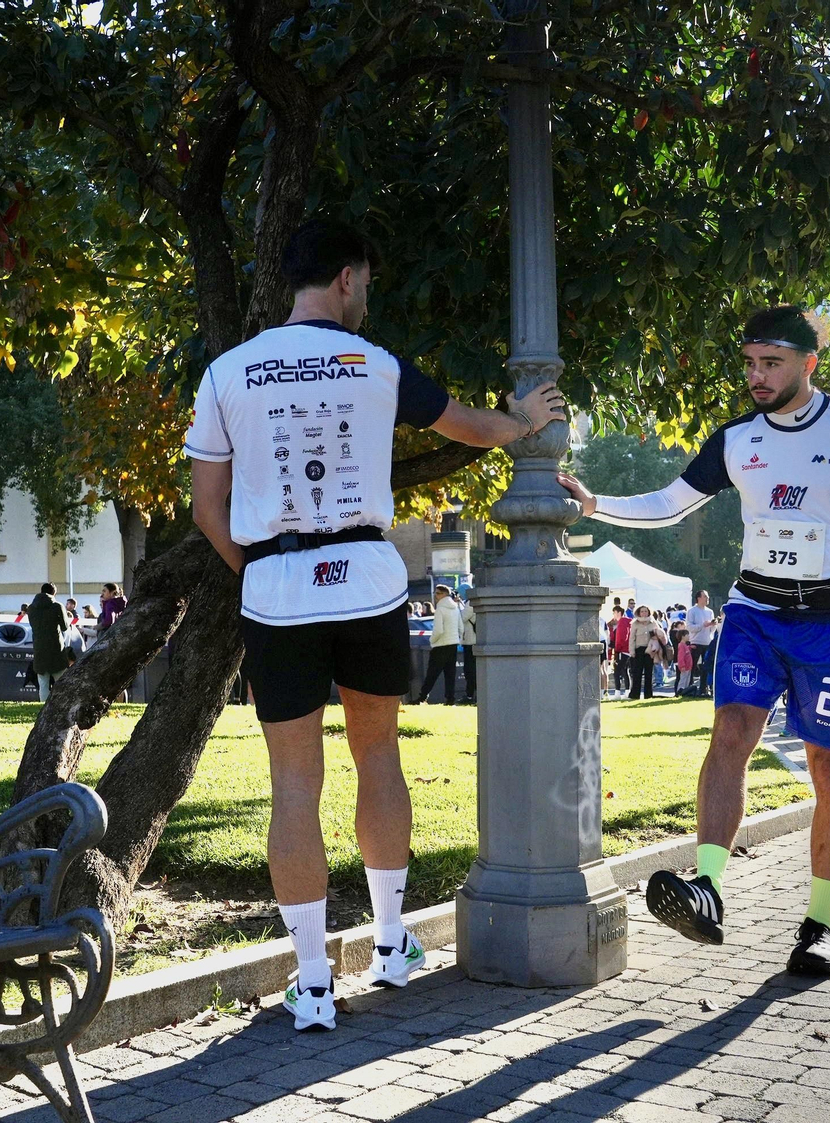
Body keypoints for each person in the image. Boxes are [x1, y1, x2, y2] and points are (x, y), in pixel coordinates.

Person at [182, 219, 568, 1030]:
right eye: (369, 284)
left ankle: (315, 983)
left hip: (278, 584)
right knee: (377, 752)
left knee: (294, 782)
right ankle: (392, 945)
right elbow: (470, 425)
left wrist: (260, 572)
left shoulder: (225, 373)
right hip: (366, 578)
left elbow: (206, 508)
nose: (368, 297)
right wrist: (526, 417)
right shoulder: (374, 363)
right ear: (350, 276)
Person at [558, 303, 830, 976]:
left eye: (773, 364)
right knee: (731, 731)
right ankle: (707, 888)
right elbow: (671, 501)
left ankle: (817, 926)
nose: (757, 377)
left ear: (808, 363)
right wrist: (596, 503)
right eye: (751, 364)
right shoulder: (737, 438)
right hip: (754, 609)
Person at [414, 584, 463, 704]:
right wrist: (458, 639)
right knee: (450, 674)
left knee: (432, 674)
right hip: (452, 644)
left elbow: (438, 630)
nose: (436, 596)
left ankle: (422, 697)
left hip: (440, 645)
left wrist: (432, 640)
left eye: (438, 593)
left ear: (444, 594)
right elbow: (461, 627)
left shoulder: (440, 609)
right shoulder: (455, 608)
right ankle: (450, 699)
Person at [19, 582, 65, 701]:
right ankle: (61, 704)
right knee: (61, 681)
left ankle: (44, 707)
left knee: (43, 683)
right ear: (54, 593)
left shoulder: (31, 608)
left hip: (39, 647)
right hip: (56, 648)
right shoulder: (57, 606)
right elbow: (65, 626)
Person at [628, 606, 667, 700]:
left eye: (646, 611)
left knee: (649, 673)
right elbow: (632, 638)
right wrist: (632, 651)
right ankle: (634, 695)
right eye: (642, 611)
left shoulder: (653, 623)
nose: (644, 613)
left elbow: (660, 635)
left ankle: (648, 695)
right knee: (637, 673)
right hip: (638, 650)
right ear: (639, 613)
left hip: (650, 650)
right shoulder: (635, 623)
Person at [685, 590, 717, 696]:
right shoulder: (692, 611)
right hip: (696, 642)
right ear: (698, 598)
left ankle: (703, 689)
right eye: (705, 596)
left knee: (706, 667)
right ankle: (689, 688)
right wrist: (702, 625)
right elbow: (689, 627)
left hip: (707, 642)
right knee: (692, 666)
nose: (707, 598)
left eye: (707, 597)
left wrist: (712, 625)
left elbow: (712, 629)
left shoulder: (710, 612)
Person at [457, 585, 476, 704]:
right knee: (470, 670)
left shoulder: (470, 604)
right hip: (470, 641)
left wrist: (456, 605)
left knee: (470, 671)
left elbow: (462, 618)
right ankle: (471, 695)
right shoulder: (470, 602)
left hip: (471, 642)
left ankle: (470, 696)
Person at [609, 604, 633, 697]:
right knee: (624, 671)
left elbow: (621, 637)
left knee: (617, 671)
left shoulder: (622, 622)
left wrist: (617, 649)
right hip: (627, 650)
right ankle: (627, 691)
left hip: (622, 650)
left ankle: (617, 692)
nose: (614, 615)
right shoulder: (627, 622)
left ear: (619, 613)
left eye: (614, 612)